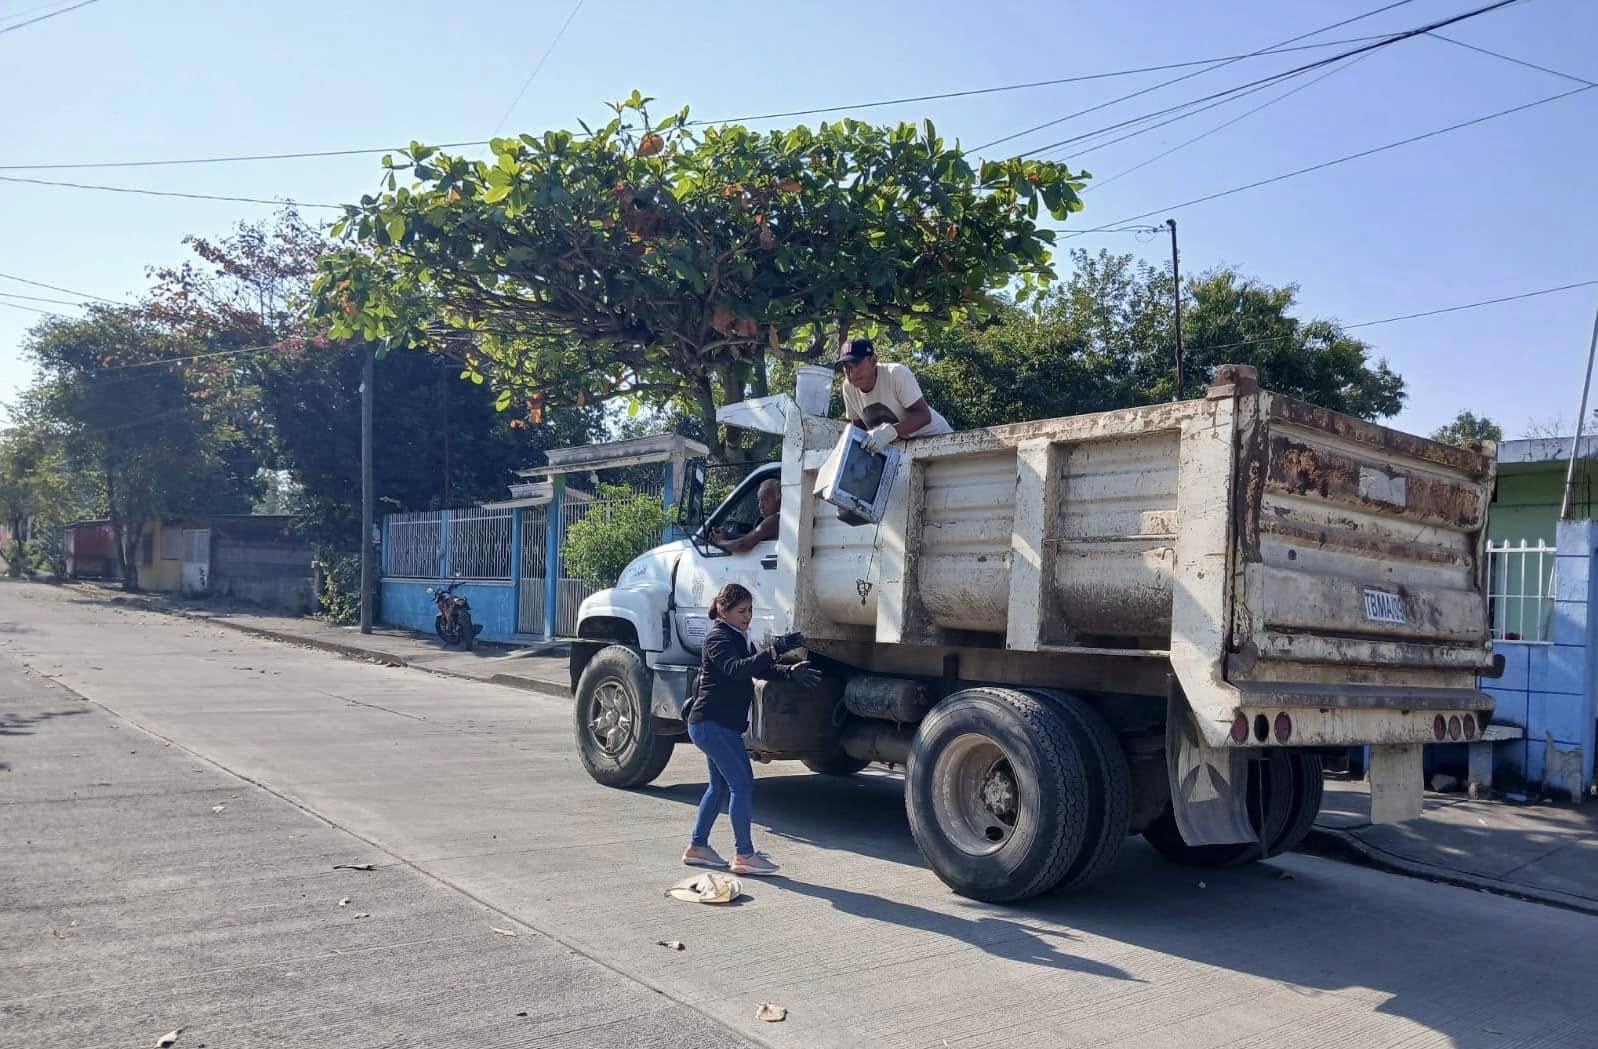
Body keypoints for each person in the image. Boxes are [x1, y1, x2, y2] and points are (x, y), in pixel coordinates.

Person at [681, 582, 821, 876]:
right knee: (742, 784)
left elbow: (760, 669)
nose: (747, 616)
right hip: (712, 725)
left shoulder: (739, 636)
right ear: (724, 611)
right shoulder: (718, 638)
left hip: (717, 726)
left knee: (719, 786)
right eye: (741, 611)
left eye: (750, 610)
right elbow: (738, 669)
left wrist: (790, 672)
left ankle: (697, 847)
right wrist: (776, 649)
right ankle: (744, 854)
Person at [834, 337, 952, 453]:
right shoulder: (848, 387)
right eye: (846, 367)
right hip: (902, 449)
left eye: (856, 364)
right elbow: (859, 429)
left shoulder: (896, 374)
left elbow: (924, 415)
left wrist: (890, 432)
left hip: (941, 442)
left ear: (873, 360)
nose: (852, 373)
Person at [709, 478, 780, 554]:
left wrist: (719, 542)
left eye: (765, 500)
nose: (760, 505)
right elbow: (751, 537)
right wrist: (728, 535)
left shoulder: (775, 520)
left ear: (779, 499)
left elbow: (742, 545)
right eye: (759, 500)